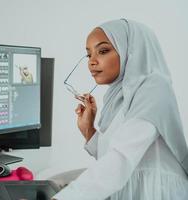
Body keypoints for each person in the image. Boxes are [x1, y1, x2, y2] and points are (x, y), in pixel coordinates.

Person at [52, 19, 188, 200]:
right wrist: (89, 130)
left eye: (103, 51)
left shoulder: (154, 88)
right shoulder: (120, 93)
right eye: (88, 55)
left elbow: (121, 159)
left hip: (156, 192)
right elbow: (112, 154)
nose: (92, 62)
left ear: (130, 51)